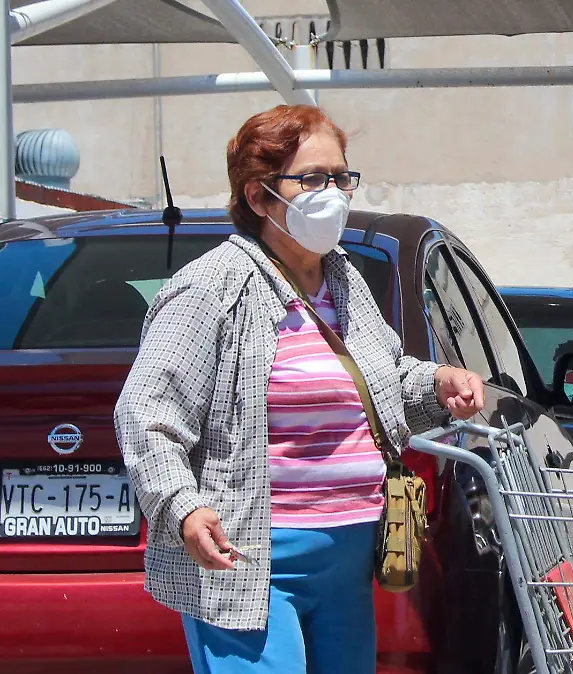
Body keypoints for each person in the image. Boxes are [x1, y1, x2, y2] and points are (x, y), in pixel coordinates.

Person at [114, 104, 486, 673]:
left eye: (340, 176)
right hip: (250, 565)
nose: (333, 192)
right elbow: (146, 414)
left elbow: (384, 382)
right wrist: (183, 507)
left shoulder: (341, 276)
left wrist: (439, 384)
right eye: (312, 179)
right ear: (260, 197)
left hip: (348, 561)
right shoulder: (214, 287)